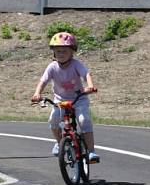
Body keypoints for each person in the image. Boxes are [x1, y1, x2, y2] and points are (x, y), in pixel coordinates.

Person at [31, 32, 100, 162]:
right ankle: (59, 142)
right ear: (53, 53)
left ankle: (91, 152)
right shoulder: (52, 67)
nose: (61, 54)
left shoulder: (76, 64)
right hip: (60, 101)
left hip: (79, 99)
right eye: (58, 51)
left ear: (72, 52)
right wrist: (37, 93)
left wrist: (90, 86)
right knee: (53, 120)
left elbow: (86, 75)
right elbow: (43, 81)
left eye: (64, 51)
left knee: (84, 120)